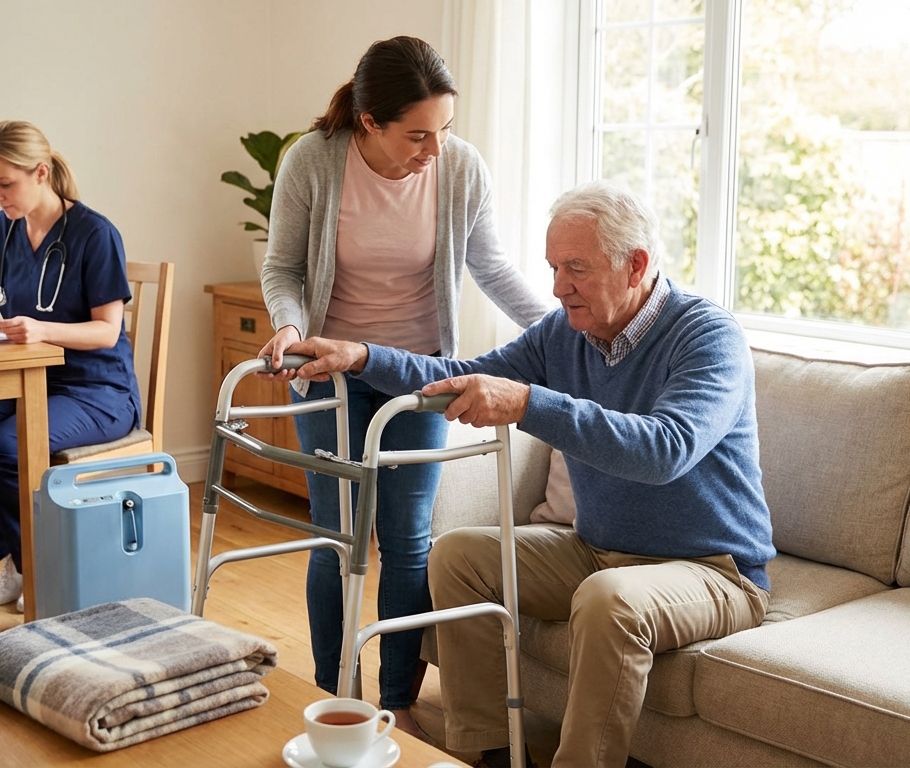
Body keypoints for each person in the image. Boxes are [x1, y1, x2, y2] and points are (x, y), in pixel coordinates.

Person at [281, 181, 775, 768]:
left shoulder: (707, 336)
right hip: (597, 549)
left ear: (636, 265)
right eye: (553, 267)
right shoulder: (566, 333)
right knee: (457, 556)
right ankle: (484, 751)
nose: (558, 286)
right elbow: (463, 375)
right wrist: (362, 357)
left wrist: (528, 403)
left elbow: (665, 450)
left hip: (711, 570)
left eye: (576, 268)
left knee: (610, 599)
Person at [257, 36, 554, 737]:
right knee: (337, 535)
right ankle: (335, 694)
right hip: (328, 370)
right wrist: (289, 325)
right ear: (370, 123)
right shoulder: (312, 161)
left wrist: (561, 331)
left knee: (407, 539)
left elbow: (492, 268)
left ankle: (394, 701)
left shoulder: (460, 170)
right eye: (419, 134)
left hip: (420, 372)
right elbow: (283, 268)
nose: (436, 149)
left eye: (445, 130)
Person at [0, 120, 140, 613]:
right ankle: (20, 558)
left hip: (98, 391)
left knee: (2, 448)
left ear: (40, 173)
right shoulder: (3, 230)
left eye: (5, 184)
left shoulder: (94, 232)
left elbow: (107, 331)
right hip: (29, 381)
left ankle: (38, 569)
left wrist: (42, 329)